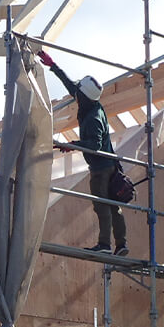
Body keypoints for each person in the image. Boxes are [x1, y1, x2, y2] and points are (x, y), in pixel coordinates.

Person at [37, 50, 128, 256]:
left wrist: (73, 145)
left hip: (101, 168)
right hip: (109, 164)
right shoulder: (89, 103)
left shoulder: (93, 118)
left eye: (79, 92)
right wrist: (52, 65)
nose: (75, 94)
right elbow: (70, 84)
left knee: (102, 204)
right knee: (113, 205)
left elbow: (94, 145)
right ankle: (121, 244)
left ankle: (105, 245)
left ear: (84, 97)